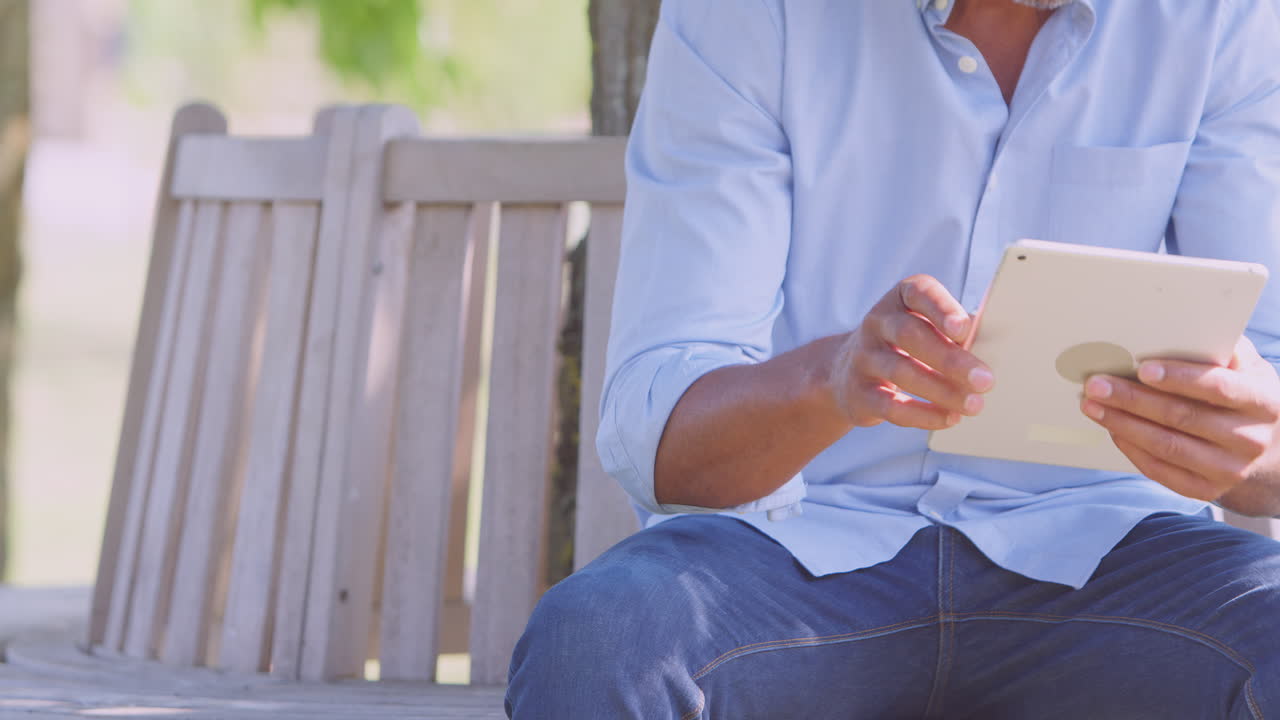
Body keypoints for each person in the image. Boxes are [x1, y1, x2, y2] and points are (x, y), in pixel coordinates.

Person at [506, 0, 1280, 717]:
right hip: (791, 555)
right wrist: (833, 381)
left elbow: (1270, 416)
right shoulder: (752, 13)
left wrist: (1252, 446)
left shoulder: (1226, 18)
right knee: (598, 641)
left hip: (1114, 564)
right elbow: (665, 440)